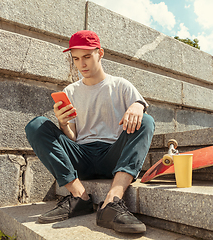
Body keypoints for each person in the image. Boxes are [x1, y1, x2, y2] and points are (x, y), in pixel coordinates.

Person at [25, 30, 155, 234]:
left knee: (146, 120)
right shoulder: (70, 91)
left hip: (113, 155)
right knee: (36, 125)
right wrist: (63, 123)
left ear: (100, 53)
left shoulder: (120, 85)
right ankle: (79, 198)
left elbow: (141, 113)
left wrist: (138, 105)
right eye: (76, 59)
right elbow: (73, 138)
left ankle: (112, 202)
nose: (81, 64)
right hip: (82, 156)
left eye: (87, 56)